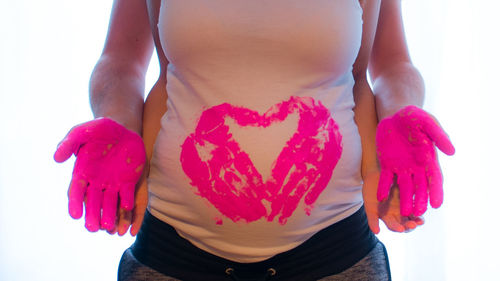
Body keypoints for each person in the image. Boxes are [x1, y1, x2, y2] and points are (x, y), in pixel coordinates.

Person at [55, 0, 454, 280]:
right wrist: (116, 121)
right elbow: (121, 60)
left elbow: (387, 65)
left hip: (335, 252)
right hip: (172, 252)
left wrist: (403, 111)